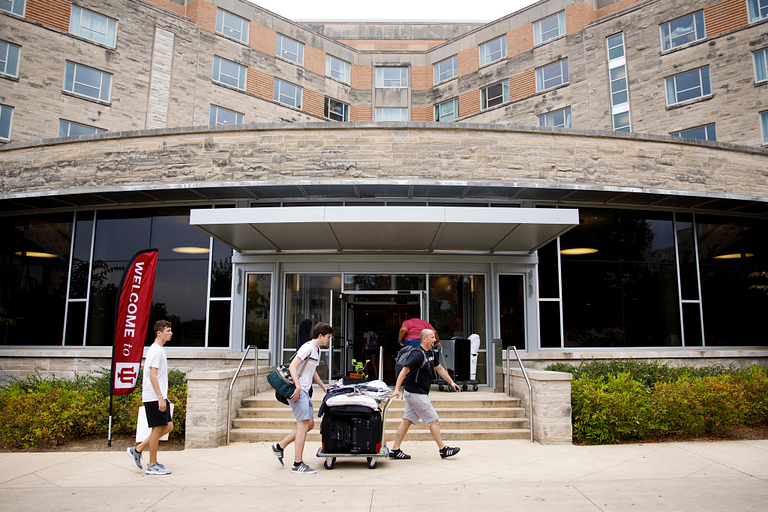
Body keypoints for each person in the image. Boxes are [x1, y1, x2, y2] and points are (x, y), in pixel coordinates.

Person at [270, 322, 332, 474]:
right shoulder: (307, 347)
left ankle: (279, 447)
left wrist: (324, 387)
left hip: (305, 390)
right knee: (303, 426)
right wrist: (297, 387)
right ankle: (297, 464)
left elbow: (313, 371)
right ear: (320, 336)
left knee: (309, 425)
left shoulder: (316, 351)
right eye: (328, 337)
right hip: (298, 391)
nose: (329, 340)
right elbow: (292, 366)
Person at [389, 328, 460, 460]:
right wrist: (396, 390)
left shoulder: (431, 353)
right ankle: (443, 449)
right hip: (416, 393)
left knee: (406, 421)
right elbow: (403, 371)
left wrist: (451, 382)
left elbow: (439, 368)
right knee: (433, 420)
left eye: (434, 337)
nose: (435, 339)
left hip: (417, 393)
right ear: (424, 339)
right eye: (432, 337)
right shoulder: (417, 355)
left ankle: (395, 450)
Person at [127, 320, 174, 475]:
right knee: (156, 430)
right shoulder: (155, 351)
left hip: (159, 396)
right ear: (159, 333)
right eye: (168, 330)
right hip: (154, 397)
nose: (171, 333)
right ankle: (152, 465)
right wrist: (160, 398)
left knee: (168, 427)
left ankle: (137, 449)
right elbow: (152, 377)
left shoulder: (160, 350)